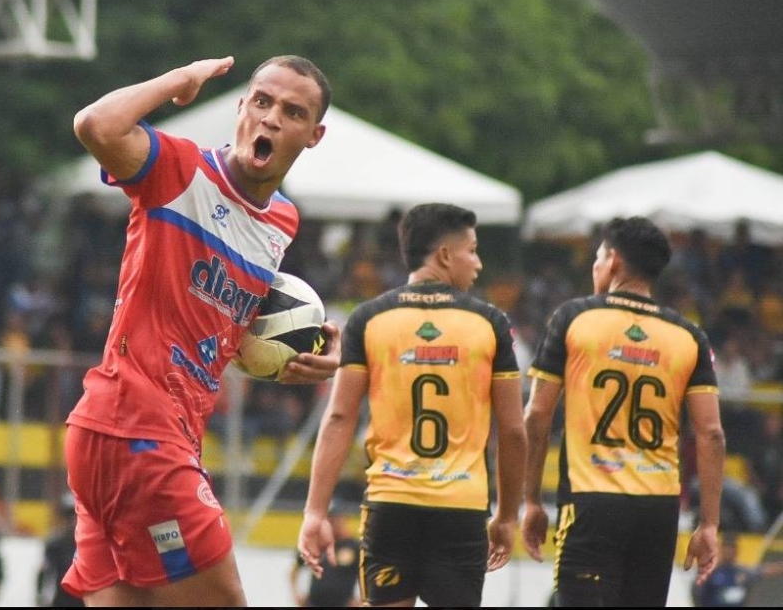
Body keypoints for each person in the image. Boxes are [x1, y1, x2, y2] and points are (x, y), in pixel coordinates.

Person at [0, 54, 341, 608]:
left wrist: (314, 348)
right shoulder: (180, 170)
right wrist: (178, 80)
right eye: (262, 101)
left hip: (127, 434)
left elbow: (232, 319)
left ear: (314, 135)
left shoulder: (282, 221)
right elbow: (95, 125)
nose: (272, 118)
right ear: (241, 106)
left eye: (292, 112)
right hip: (140, 430)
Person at [298, 203, 527, 607]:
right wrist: (507, 516)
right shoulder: (490, 323)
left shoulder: (369, 318)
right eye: (472, 250)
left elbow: (339, 417)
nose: (478, 263)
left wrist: (315, 511)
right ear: (444, 255)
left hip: (391, 505)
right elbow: (511, 430)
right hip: (461, 508)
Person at [521, 216, 726, 607]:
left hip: (591, 500)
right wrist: (709, 524)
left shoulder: (573, 318)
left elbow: (537, 416)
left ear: (613, 259)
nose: (595, 266)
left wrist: (531, 501)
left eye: (598, 257)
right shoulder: (689, 336)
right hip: (659, 507)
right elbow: (711, 433)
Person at [692, 532, 783, 607]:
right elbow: (697, 594)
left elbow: (765, 571)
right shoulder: (710, 571)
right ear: (721, 549)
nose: (729, 552)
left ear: (737, 551)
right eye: (726, 548)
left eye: (732, 548)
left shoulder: (742, 571)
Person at [289, 511, 359, 607]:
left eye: (335, 519)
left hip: (343, 603)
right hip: (314, 603)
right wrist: (296, 594)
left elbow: (367, 575)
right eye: (329, 519)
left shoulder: (354, 546)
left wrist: (362, 600)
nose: (332, 523)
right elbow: (295, 569)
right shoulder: (317, 543)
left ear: (343, 519)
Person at [37, 494, 84, 608]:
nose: (73, 521)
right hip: (61, 598)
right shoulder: (55, 544)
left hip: (84, 598)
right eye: (70, 516)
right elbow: (46, 572)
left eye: (77, 516)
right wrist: (42, 597)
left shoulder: (90, 545)